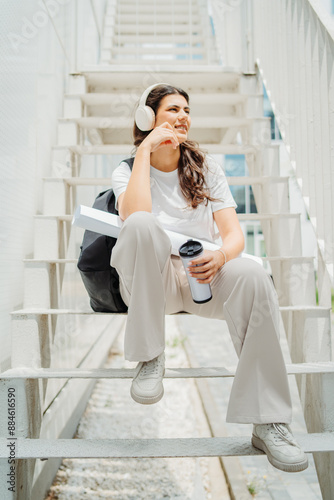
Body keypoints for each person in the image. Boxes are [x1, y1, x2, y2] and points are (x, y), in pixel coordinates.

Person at [110, 83, 308, 473]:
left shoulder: (206, 166)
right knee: (142, 225)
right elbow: (134, 217)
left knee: (252, 273)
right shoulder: (127, 168)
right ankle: (150, 357)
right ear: (148, 117)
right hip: (153, 283)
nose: (182, 116)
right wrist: (146, 152)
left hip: (202, 277)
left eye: (186, 110)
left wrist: (220, 256)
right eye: (172, 109)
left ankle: (269, 421)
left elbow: (233, 235)